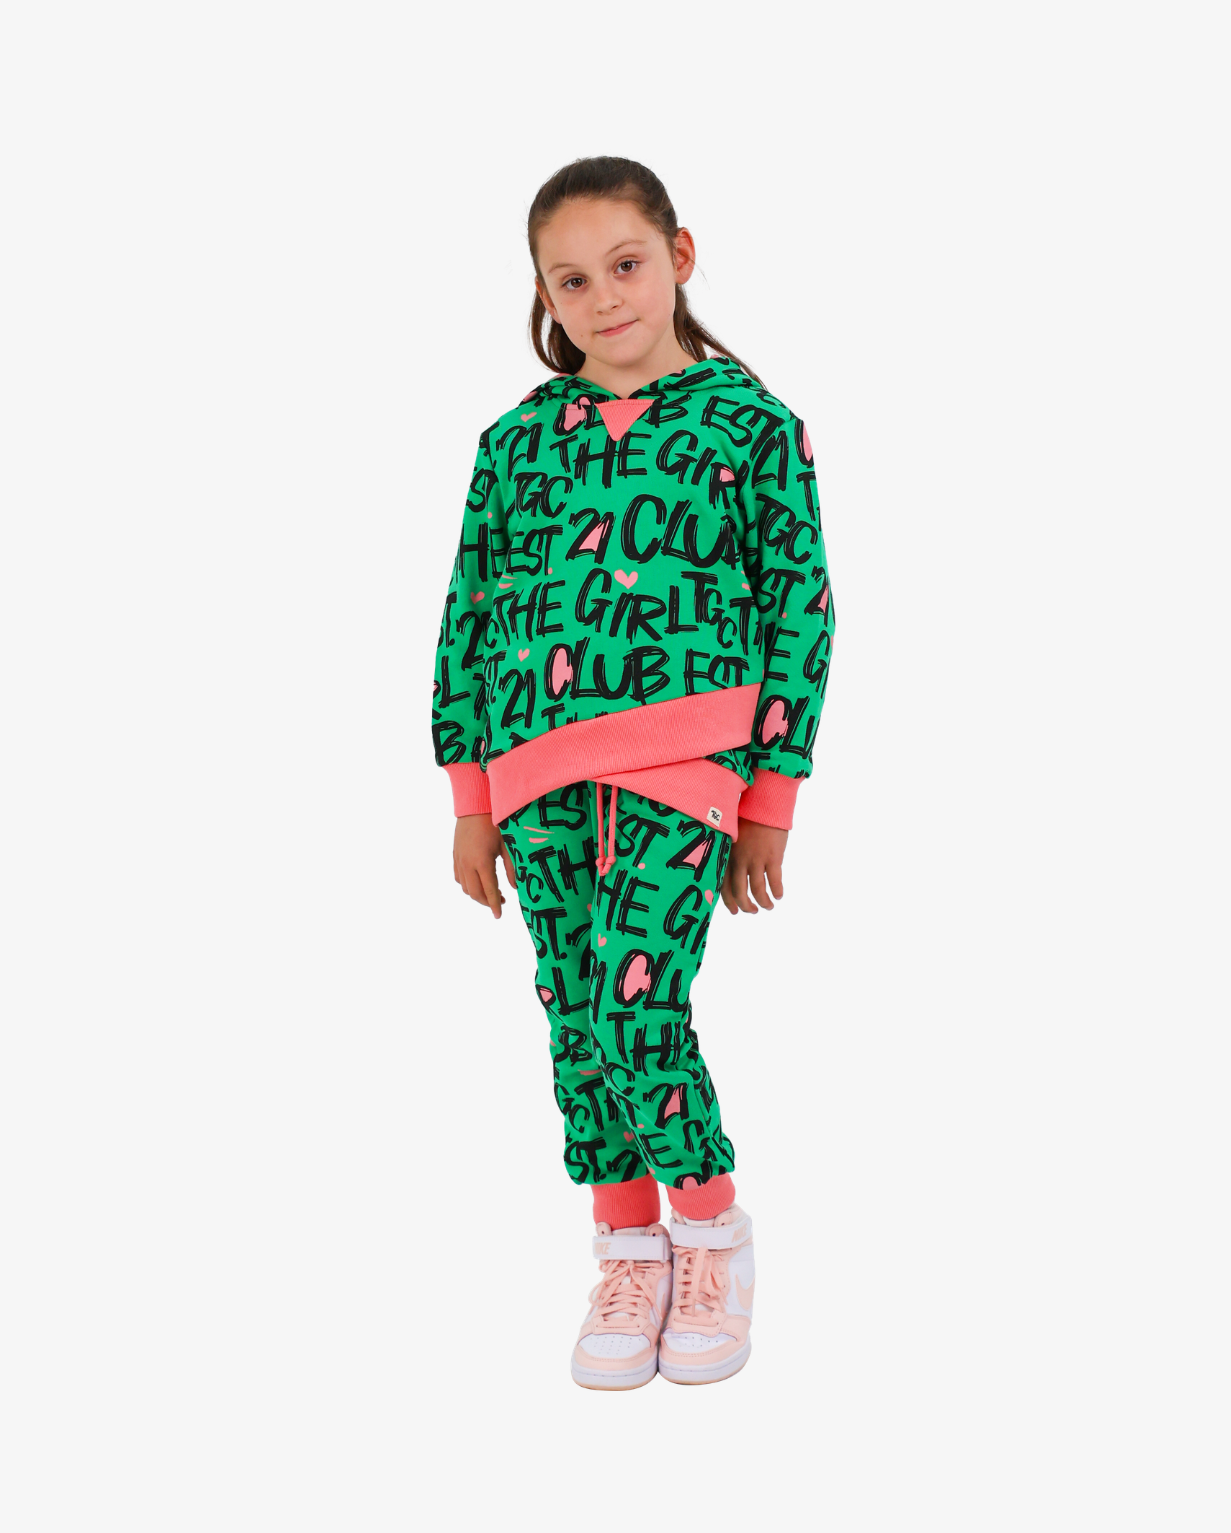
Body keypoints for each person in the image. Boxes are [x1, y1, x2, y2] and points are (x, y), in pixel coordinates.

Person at [430, 156, 836, 1389]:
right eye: (571, 280)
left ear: (678, 257)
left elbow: (800, 613)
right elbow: (470, 615)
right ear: (542, 295)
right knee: (572, 1013)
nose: (603, 297)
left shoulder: (750, 426)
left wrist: (770, 800)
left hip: (688, 758)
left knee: (633, 1001)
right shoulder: (514, 444)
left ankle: (709, 1230)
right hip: (530, 768)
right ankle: (626, 1248)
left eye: (625, 265)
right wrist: (469, 799)